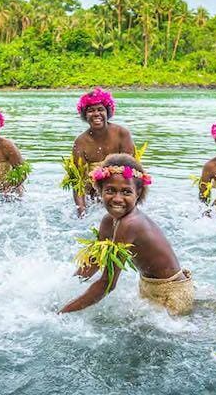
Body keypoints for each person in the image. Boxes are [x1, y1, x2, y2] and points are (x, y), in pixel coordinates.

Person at [59, 154, 194, 316]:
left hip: (173, 294)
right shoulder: (108, 221)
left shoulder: (130, 224)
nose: (117, 199)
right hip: (149, 286)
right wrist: (67, 287)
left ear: (138, 194)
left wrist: (62, 313)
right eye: (110, 190)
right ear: (99, 190)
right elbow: (95, 262)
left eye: (126, 192)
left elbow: (107, 283)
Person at [63, 88, 135, 217]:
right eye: (91, 111)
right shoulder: (81, 142)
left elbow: (132, 174)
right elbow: (77, 183)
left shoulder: (122, 134)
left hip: (120, 195)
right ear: (85, 115)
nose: (96, 114)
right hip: (93, 198)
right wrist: (82, 213)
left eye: (100, 109)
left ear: (108, 112)